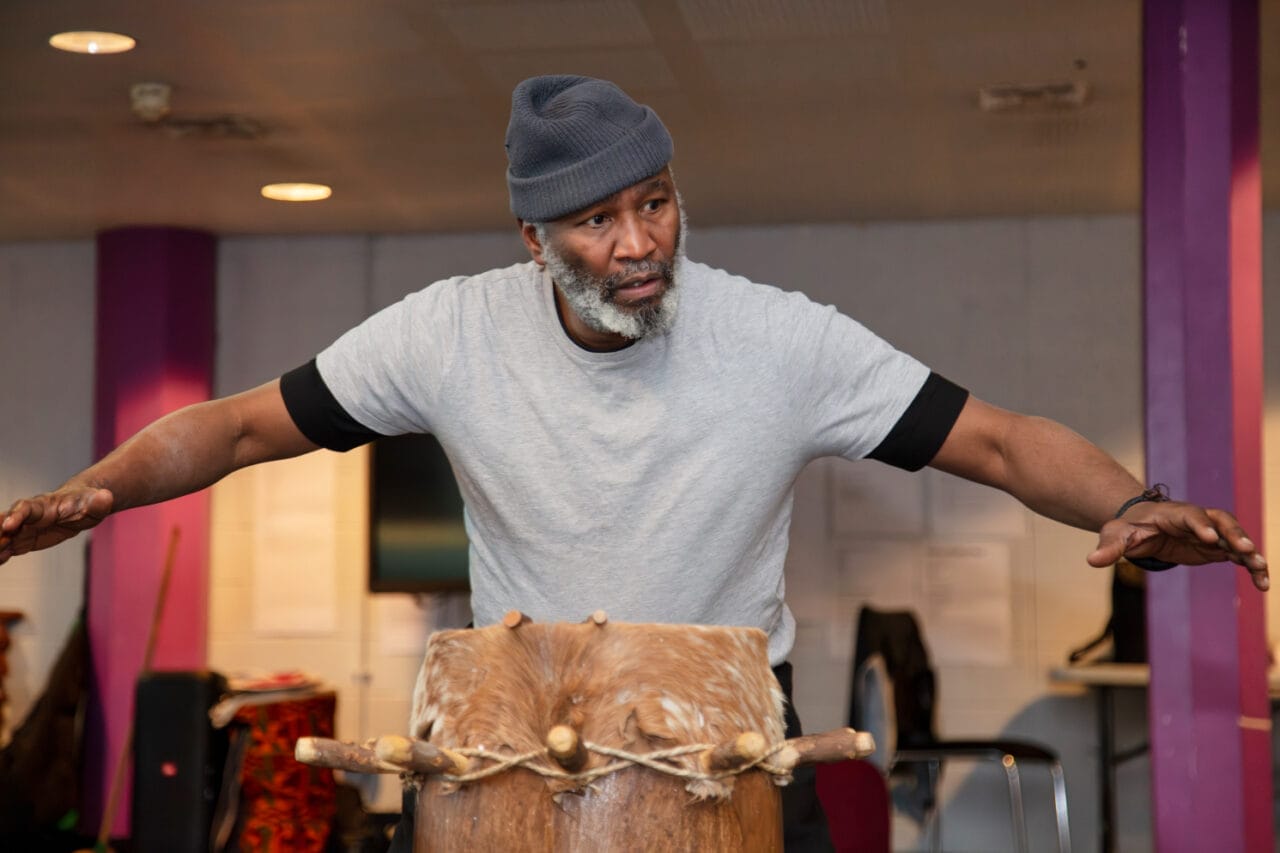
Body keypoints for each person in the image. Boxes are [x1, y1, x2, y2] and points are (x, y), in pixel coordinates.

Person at [0, 76, 1268, 850]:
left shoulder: (775, 338)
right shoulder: (447, 332)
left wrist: (1133, 500)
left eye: (653, 202)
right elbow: (232, 425)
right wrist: (100, 490)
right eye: (597, 220)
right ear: (532, 235)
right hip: (508, 750)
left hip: (732, 744)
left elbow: (990, 436)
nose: (636, 244)